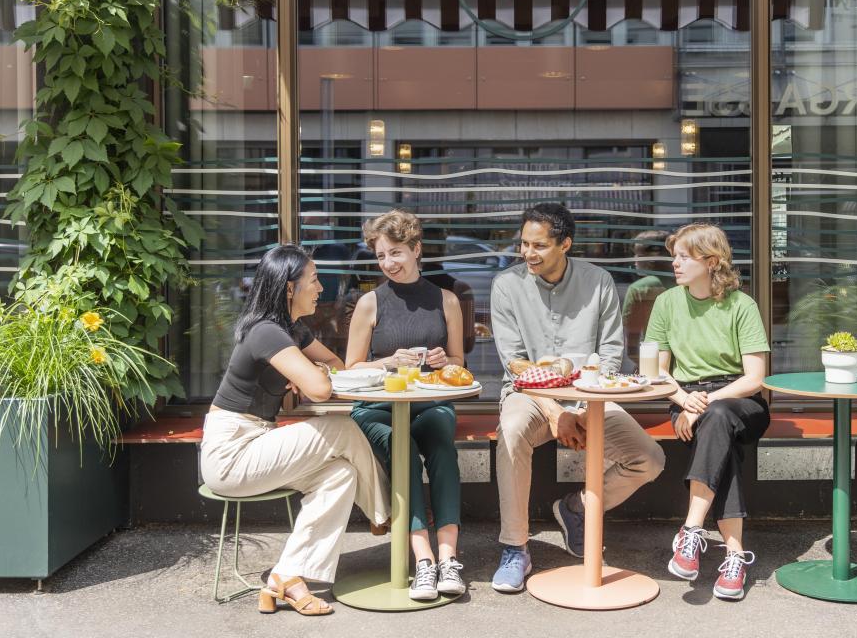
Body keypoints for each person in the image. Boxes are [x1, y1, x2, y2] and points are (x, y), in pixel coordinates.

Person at [200, 244, 389, 617]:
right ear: (290, 288)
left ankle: (286, 577)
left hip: (256, 441)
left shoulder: (290, 330)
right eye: (314, 280)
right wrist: (309, 376)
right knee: (343, 428)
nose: (321, 288)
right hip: (231, 452)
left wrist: (308, 372)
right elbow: (321, 387)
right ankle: (385, 514)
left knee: (340, 472)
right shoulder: (266, 331)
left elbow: (335, 365)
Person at [489, 202, 665, 593]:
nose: (527, 254)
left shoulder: (598, 281)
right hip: (530, 396)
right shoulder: (507, 285)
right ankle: (515, 547)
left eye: (538, 246)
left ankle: (577, 509)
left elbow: (611, 354)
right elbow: (514, 363)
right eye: (524, 244)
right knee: (512, 430)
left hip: (591, 394)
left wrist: (583, 404)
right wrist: (556, 412)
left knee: (649, 459)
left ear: (564, 243)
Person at [344, 209, 467, 601]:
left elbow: (459, 362)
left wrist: (445, 362)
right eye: (381, 256)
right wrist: (388, 362)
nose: (388, 264)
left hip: (431, 402)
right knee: (404, 451)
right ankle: (424, 560)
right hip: (376, 407)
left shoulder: (446, 300)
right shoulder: (369, 303)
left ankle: (449, 557)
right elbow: (351, 368)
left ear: (416, 249)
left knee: (443, 448)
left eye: (396, 253)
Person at [644, 223, 771, 601]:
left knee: (718, 418)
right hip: (687, 398)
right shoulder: (666, 302)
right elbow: (657, 369)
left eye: (683, 256)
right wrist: (685, 401)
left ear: (711, 261)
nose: (675, 264)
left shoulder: (741, 306)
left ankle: (691, 528)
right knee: (722, 444)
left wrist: (704, 403)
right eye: (674, 256)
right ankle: (734, 558)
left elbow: (755, 378)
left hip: (740, 400)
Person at [622, 229, 675, 359]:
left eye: (638, 255)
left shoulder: (639, 289)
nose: (634, 260)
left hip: (654, 357)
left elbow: (631, 342)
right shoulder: (688, 283)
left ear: (652, 258)